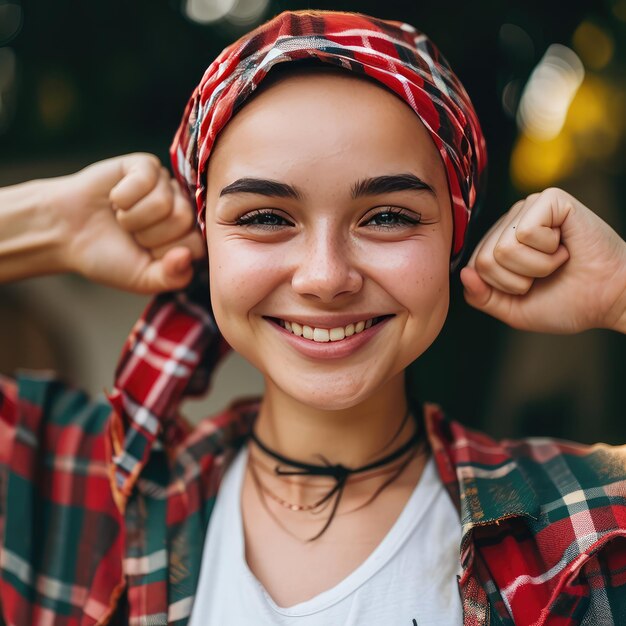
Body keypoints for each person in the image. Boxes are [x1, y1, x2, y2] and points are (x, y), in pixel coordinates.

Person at [1, 9, 625, 626]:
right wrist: (51, 223)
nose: (326, 278)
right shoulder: (75, 496)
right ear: (205, 243)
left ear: (454, 238)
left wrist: (619, 291)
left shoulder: (578, 527)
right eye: (265, 217)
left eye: (387, 216)